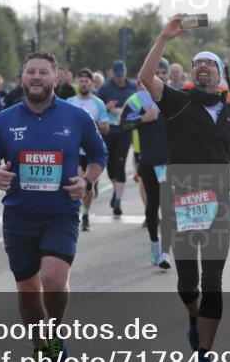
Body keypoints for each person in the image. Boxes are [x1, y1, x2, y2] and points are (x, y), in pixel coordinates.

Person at [138, 15, 230, 362]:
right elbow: (145, 78)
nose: (203, 66)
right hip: (180, 202)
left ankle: (204, 355)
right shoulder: (177, 101)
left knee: (212, 280)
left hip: (218, 204)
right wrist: (163, 37)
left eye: (210, 63)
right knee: (187, 283)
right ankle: (194, 318)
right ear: (193, 73)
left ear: (221, 75)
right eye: (197, 63)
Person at [0, 51, 107, 362]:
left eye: (43, 72)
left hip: (60, 213)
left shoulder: (76, 117)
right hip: (19, 216)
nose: (36, 77)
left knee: (52, 279)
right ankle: (40, 348)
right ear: (23, 77)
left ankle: (55, 333)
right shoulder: (4, 120)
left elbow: (99, 154)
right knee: (27, 290)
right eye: (31, 72)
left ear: (56, 77)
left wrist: (87, 181)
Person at [120, 59, 171, 268]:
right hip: (148, 161)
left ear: (168, 75)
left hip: (168, 162)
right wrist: (143, 119)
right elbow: (123, 124)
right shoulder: (137, 100)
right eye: (157, 72)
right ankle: (154, 244)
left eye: (164, 72)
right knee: (153, 204)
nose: (161, 76)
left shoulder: (174, 97)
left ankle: (165, 253)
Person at [67, 68, 110, 231]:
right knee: (78, 179)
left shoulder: (98, 103)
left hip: (92, 151)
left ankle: (85, 213)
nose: (83, 84)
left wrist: (98, 126)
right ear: (78, 83)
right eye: (81, 81)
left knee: (88, 185)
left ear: (92, 83)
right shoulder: (70, 102)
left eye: (86, 81)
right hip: (75, 151)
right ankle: (74, 214)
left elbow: (106, 126)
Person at [96, 60, 137, 216]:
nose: (120, 78)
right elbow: (97, 108)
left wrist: (130, 111)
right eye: (117, 76)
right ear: (113, 74)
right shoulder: (105, 88)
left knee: (120, 165)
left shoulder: (132, 87)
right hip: (109, 132)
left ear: (125, 73)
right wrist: (107, 107)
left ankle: (118, 201)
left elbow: (139, 105)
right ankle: (116, 190)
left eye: (122, 75)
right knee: (111, 168)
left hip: (125, 132)